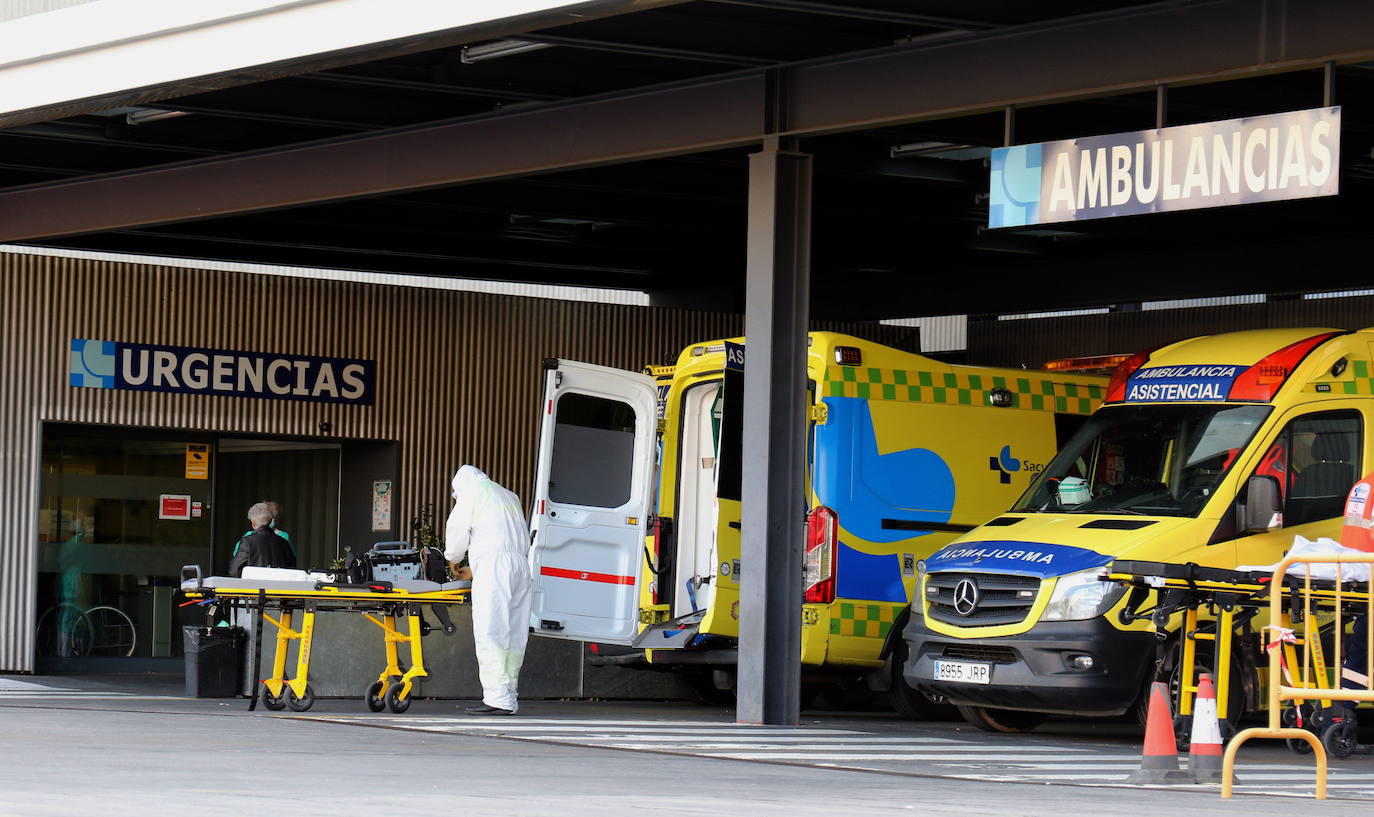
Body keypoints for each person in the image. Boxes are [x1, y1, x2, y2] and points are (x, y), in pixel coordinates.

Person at [444, 465, 531, 716]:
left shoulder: (472, 493)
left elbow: (457, 530)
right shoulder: (508, 495)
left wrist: (453, 559)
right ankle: (509, 694)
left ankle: (496, 698)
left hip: (496, 569)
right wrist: (476, 567)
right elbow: (499, 537)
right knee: (514, 634)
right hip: (520, 567)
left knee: (490, 630)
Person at [227, 502, 296, 576]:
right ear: (270, 521)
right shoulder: (284, 542)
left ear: (253, 523)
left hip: (254, 586)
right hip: (277, 587)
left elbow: (234, 571)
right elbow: (292, 569)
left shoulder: (247, 541)